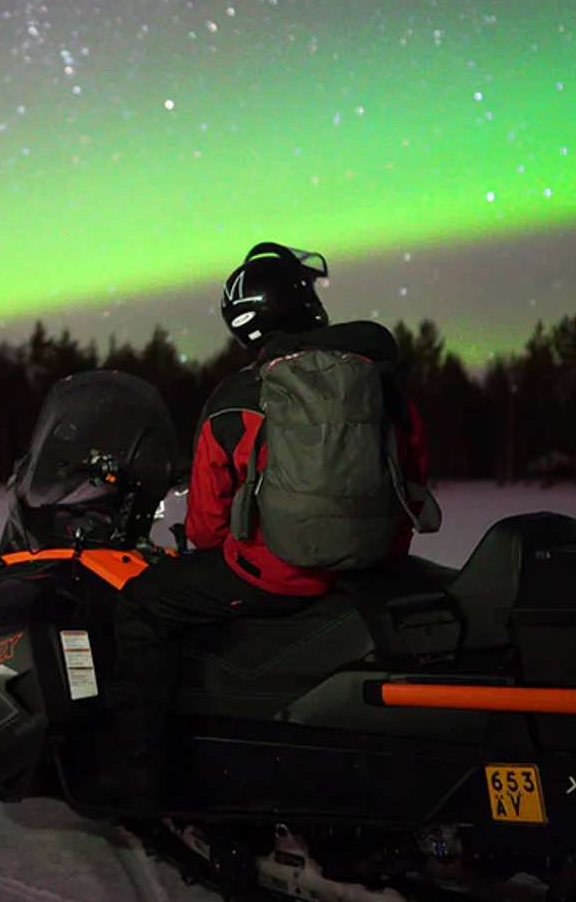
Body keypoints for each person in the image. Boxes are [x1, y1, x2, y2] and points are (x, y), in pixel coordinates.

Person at [94, 243, 432, 807]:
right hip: (377, 565)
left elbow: (207, 524)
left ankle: (133, 773)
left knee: (143, 605)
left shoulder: (238, 396)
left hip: (280, 576)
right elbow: (415, 471)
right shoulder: (381, 380)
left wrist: (232, 542)